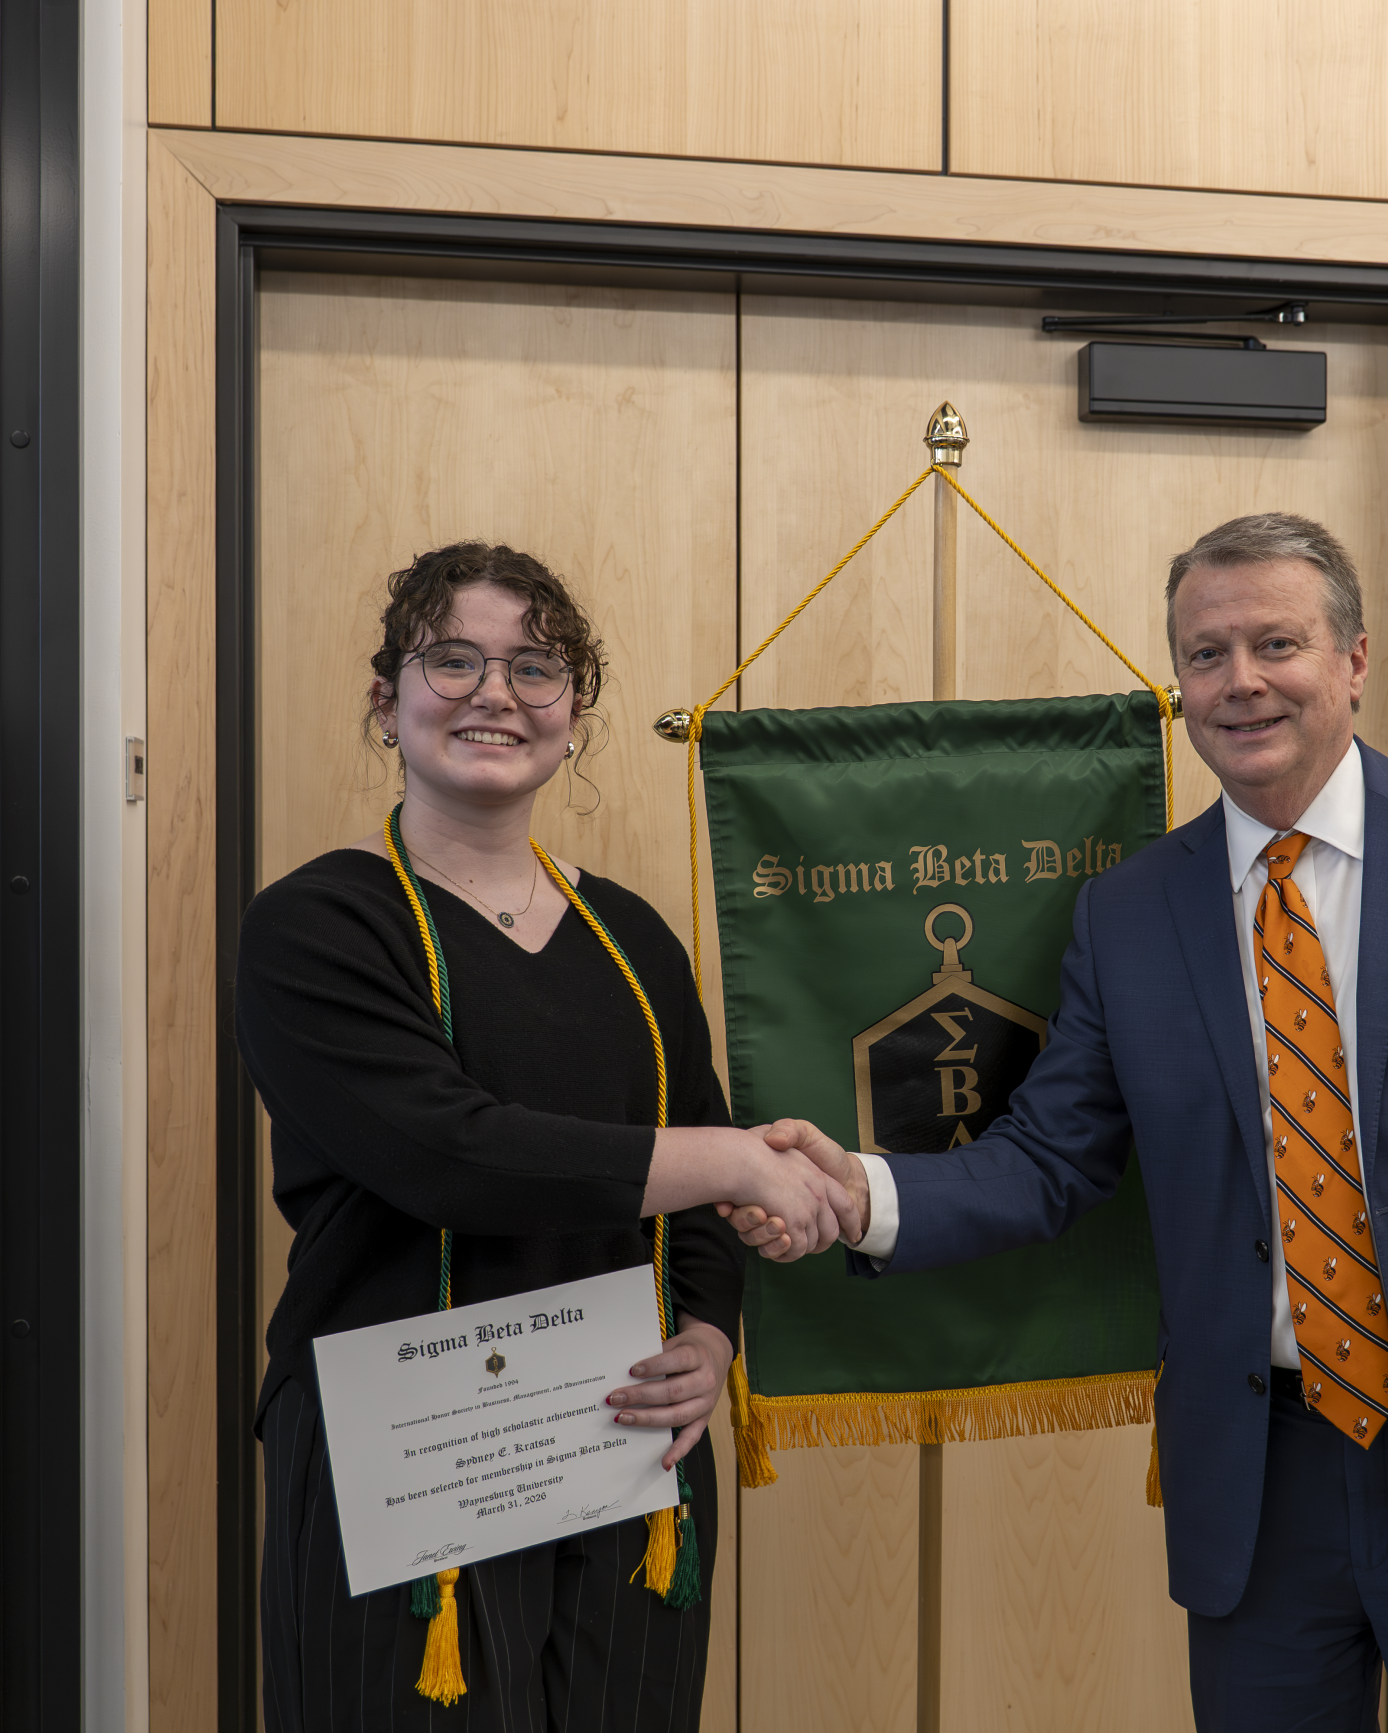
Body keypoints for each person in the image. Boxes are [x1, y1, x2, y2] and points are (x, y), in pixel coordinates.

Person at [742, 515, 1388, 1733]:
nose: (1239, 680)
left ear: (1352, 659)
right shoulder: (1129, 911)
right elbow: (1046, 1159)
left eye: (1275, 643)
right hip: (1262, 1482)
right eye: (1205, 655)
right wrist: (856, 1193)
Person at [235, 542, 847, 1733]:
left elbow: (699, 1174)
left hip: (619, 1436)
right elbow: (451, 1154)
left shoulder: (627, 932)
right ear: (386, 697)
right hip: (402, 1455)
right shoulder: (318, 921)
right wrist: (729, 1161)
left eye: (534, 667)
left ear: (576, 710)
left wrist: (712, 1333)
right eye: (451, 658)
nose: (494, 693)